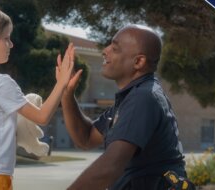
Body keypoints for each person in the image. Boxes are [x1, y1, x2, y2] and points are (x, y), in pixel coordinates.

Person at [0, 6, 75, 190]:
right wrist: (61, 83)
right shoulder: (1, 83)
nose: (11, 44)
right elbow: (42, 116)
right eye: (6, 39)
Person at [60, 25, 187, 190]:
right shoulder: (133, 97)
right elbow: (86, 138)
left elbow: (108, 169)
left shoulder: (143, 98)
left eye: (115, 48)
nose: (105, 51)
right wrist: (67, 94)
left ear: (138, 61)